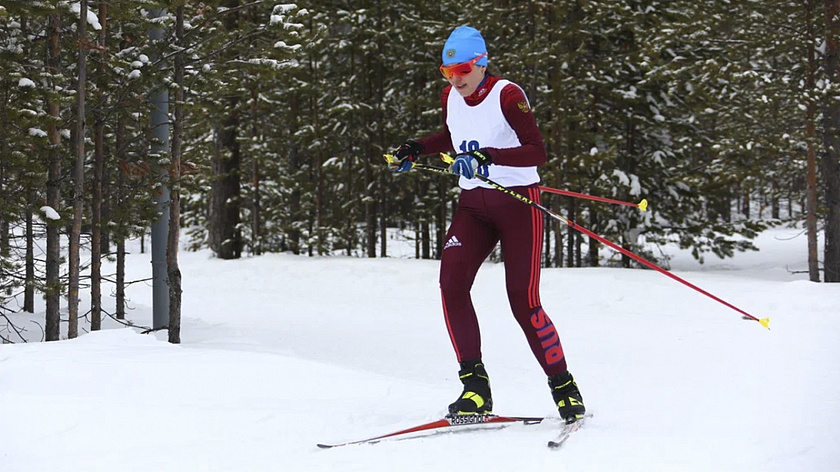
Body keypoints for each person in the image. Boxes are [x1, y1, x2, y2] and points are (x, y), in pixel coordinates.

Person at [388, 25, 586, 424]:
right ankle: (475, 389)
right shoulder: (451, 96)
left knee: (522, 301)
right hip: (473, 207)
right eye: (448, 73)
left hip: (517, 205)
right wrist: (417, 148)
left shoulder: (508, 95)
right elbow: (453, 135)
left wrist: (486, 157)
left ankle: (563, 386)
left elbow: (537, 151)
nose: (456, 79)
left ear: (481, 64)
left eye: (462, 70)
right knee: (451, 285)